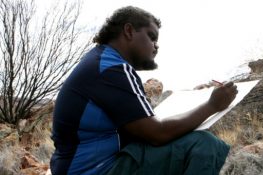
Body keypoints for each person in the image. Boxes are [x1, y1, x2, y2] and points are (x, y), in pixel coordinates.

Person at [50, 6, 238, 175]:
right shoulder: (112, 68)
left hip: (80, 167)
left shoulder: (101, 62)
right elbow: (157, 134)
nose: (156, 46)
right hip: (95, 170)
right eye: (152, 37)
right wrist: (212, 105)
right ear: (129, 31)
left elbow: (141, 127)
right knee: (204, 144)